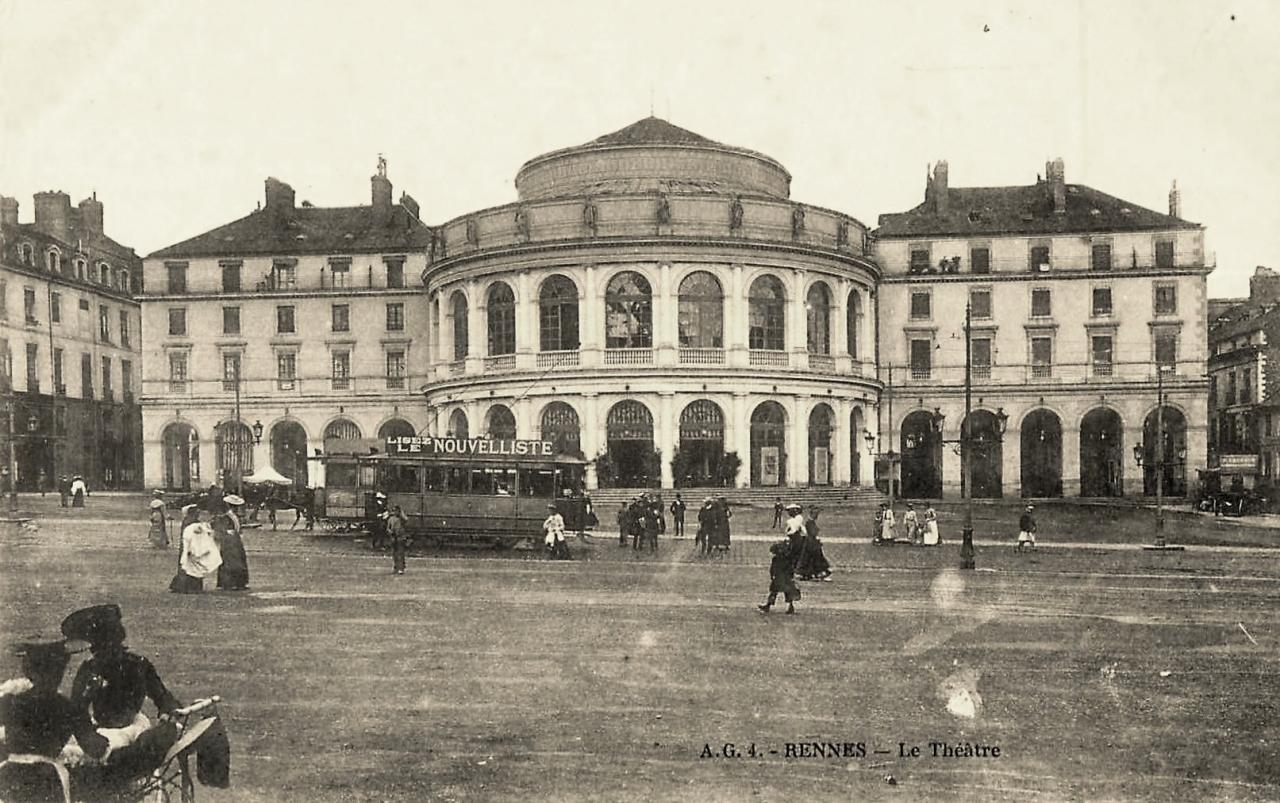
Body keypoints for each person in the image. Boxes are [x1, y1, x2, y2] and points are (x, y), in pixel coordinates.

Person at [60, 605, 181, 790]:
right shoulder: (92, 669)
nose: (103, 653)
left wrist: (167, 711)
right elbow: (77, 709)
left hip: (132, 730)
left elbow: (163, 696)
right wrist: (88, 734)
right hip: (101, 731)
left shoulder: (137, 665)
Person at [0, 640, 109, 803]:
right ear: (60, 671)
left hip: (9, 777)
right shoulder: (67, 708)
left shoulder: (10, 702)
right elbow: (95, 749)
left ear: (28, 670)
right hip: (47, 779)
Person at [169, 508, 221, 594]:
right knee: (192, 568)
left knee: (190, 567)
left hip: (191, 548)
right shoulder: (192, 523)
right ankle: (188, 587)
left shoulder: (191, 523)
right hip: (192, 548)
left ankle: (184, 586)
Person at [213, 495, 249, 591]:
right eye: (233, 506)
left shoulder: (233, 516)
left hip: (235, 540)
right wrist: (226, 532)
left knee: (239, 560)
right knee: (229, 561)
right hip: (228, 541)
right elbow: (218, 528)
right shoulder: (224, 516)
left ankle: (239, 582)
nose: (235, 508)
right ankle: (228, 583)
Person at [758, 537, 800, 614]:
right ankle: (790, 607)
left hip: (778, 579)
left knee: (774, 592)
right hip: (785, 579)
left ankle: (768, 606)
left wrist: (772, 576)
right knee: (787, 593)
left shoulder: (776, 559)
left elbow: (773, 569)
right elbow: (790, 569)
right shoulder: (788, 559)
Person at [795, 507, 833, 581]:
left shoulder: (811, 522)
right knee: (814, 559)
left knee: (813, 559)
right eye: (815, 514)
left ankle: (812, 574)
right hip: (811, 544)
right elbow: (811, 534)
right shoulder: (809, 523)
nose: (816, 516)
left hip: (812, 543)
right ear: (812, 514)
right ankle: (815, 574)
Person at [387, 505, 410, 574]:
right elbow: (388, 527)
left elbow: (406, 520)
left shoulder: (401, 519)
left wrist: (401, 514)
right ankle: (396, 567)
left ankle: (401, 568)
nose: (395, 512)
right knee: (395, 553)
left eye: (396, 511)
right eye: (394, 511)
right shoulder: (391, 519)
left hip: (400, 537)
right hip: (394, 537)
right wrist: (390, 532)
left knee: (400, 553)